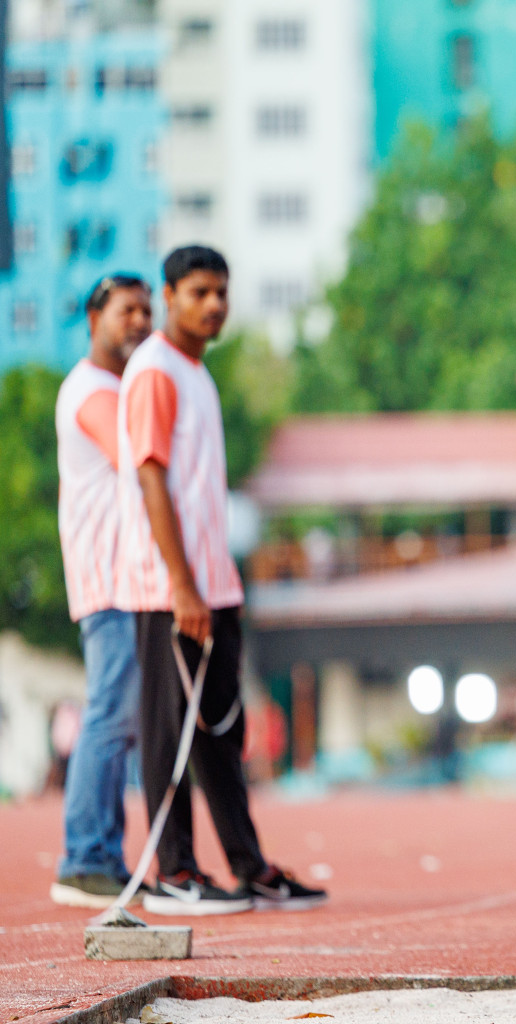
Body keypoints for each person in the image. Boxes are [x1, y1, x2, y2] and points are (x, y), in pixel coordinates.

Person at [116, 246, 327, 913]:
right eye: (199, 292)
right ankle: (174, 872)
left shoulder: (197, 373)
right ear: (169, 295)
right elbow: (150, 477)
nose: (214, 305)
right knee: (169, 730)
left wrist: (210, 584)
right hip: (168, 589)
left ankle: (248, 866)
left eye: (222, 293)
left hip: (216, 584)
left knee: (220, 734)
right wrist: (181, 586)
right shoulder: (155, 370)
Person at [50, 274, 152, 908]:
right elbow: (134, 457)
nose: (140, 321)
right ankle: (86, 856)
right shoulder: (92, 389)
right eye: (126, 311)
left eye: (146, 310)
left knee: (121, 718)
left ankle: (102, 855)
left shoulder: (113, 388)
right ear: (94, 319)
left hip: (126, 579)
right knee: (111, 715)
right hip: (108, 577)